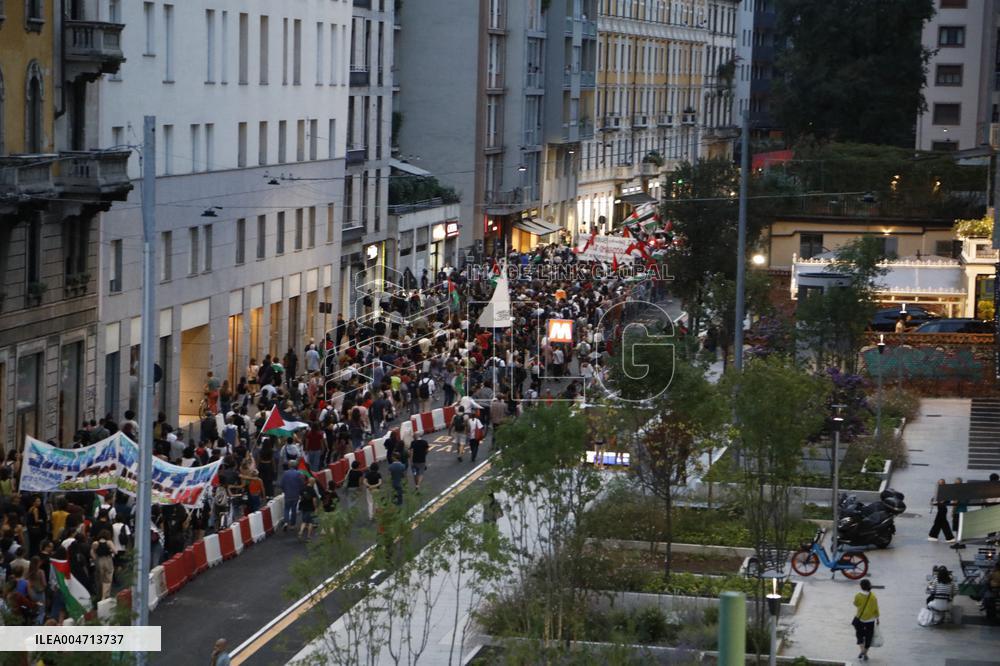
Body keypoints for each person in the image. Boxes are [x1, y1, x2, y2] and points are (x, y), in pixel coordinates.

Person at [852, 579, 879, 661]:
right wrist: (877, 618)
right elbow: (876, 609)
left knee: (859, 635)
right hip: (870, 620)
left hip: (860, 618)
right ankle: (865, 653)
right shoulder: (873, 597)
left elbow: (855, 604)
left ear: (861, 586)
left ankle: (863, 651)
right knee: (868, 637)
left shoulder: (858, 595)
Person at [90, 529, 117, 600]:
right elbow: (115, 551)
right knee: (108, 578)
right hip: (108, 560)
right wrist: (110, 550)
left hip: (99, 561)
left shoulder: (96, 543)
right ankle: (105, 596)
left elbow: (92, 553)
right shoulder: (109, 542)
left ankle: (99, 595)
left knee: (100, 579)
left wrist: (95, 558)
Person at [928, 478, 955, 543]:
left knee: (941, 522)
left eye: (942, 483)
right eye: (939, 483)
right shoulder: (938, 491)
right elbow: (934, 498)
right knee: (941, 523)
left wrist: (943, 501)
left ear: (944, 484)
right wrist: (932, 501)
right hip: (940, 509)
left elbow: (948, 500)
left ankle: (934, 535)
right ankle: (935, 536)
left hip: (943, 509)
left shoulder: (946, 491)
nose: (940, 484)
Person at [279, 464, 305, 531]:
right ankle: (292, 525)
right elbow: (302, 484)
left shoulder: (285, 473)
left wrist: (284, 490)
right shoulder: (298, 473)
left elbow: (281, 484)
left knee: (286, 509)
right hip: (295, 495)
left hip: (287, 494)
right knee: (294, 510)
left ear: (289, 466)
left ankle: (286, 522)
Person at [297, 477, 319, 542]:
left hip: (303, 507)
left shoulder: (303, 488)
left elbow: (300, 497)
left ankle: (300, 532)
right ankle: (308, 537)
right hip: (310, 507)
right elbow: (314, 500)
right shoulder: (312, 490)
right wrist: (315, 508)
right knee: (310, 522)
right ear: (313, 483)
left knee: (304, 521)